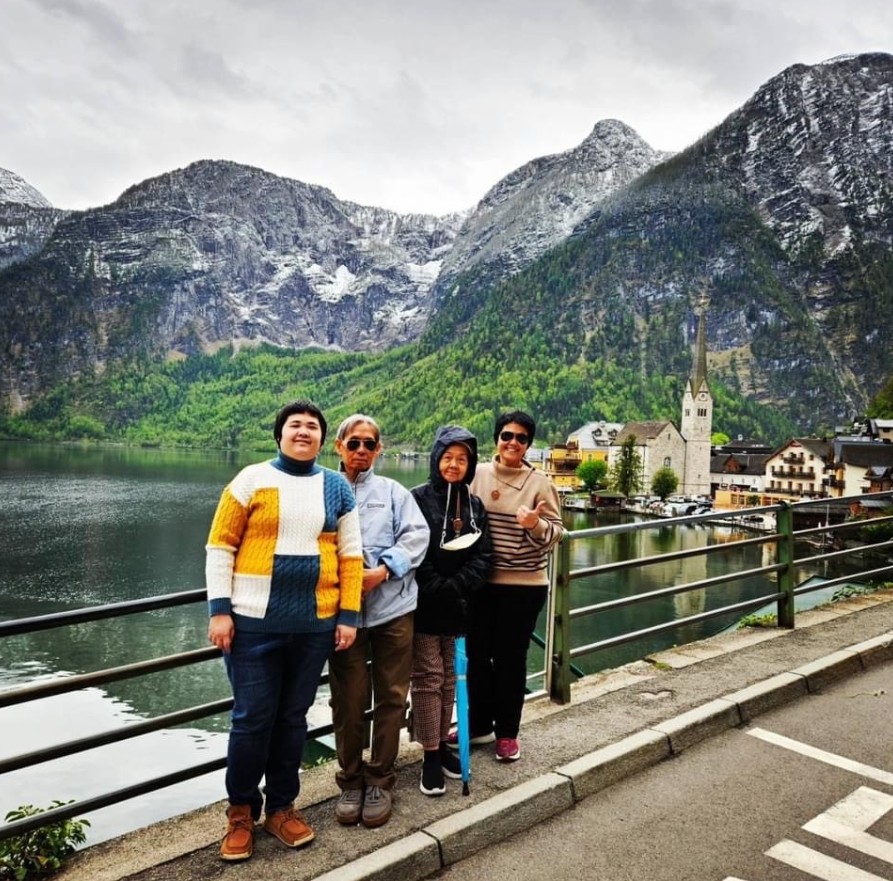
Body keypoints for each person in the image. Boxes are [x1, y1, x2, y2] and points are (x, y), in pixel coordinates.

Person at [206, 400, 363, 862]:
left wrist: (348, 615)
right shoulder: (251, 480)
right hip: (252, 624)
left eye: (312, 426)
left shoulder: (336, 487)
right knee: (251, 719)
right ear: (280, 434)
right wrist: (220, 611)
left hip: (314, 625)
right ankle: (240, 813)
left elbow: (351, 556)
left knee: (293, 719)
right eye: (295, 425)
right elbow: (220, 547)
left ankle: (281, 807)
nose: (303, 432)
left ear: (322, 439)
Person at [329, 414, 429, 828]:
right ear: (339, 446)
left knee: (392, 695)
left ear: (379, 449)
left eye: (369, 444)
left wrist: (384, 570)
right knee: (348, 698)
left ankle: (381, 780)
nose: (361, 451)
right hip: (343, 615)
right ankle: (351, 780)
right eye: (353, 443)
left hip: (393, 609)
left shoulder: (393, 492)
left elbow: (417, 536)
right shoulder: (324, 488)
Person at [460, 410, 564, 763]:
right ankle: (479, 725)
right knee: (476, 658)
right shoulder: (476, 475)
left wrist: (535, 525)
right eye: (507, 435)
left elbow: (556, 534)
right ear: (497, 439)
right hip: (480, 583)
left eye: (521, 438)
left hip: (523, 586)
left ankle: (507, 733)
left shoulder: (540, 484)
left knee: (510, 660)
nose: (513, 443)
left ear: (529, 444)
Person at [410, 425, 492, 796]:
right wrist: (436, 585)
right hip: (424, 604)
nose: (454, 465)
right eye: (448, 457)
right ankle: (429, 754)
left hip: (460, 605)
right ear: (436, 459)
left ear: (470, 465)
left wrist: (457, 586)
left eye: (462, 459)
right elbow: (412, 547)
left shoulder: (474, 506)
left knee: (450, 678)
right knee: (427, 678)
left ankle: (443, 743)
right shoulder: (416, 499)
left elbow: (484, 555)